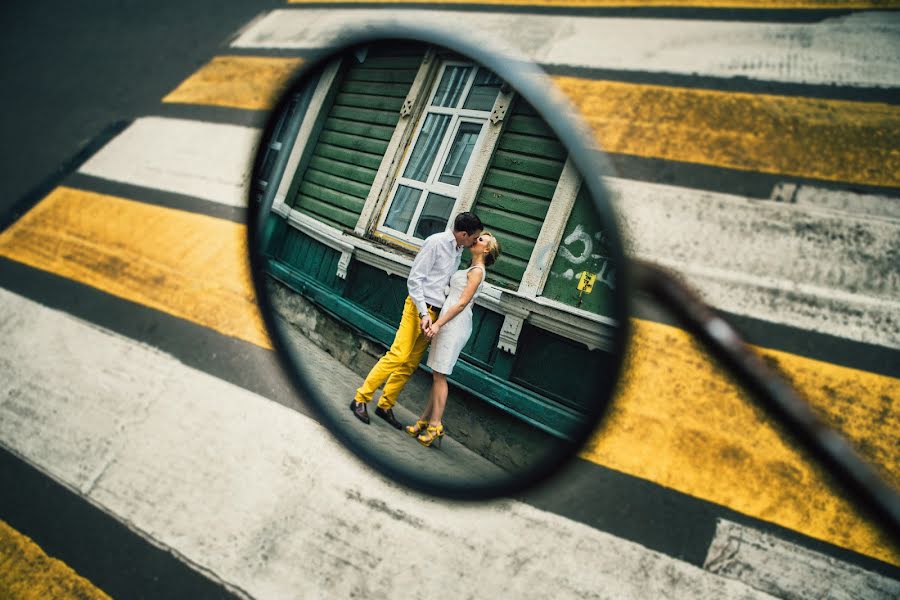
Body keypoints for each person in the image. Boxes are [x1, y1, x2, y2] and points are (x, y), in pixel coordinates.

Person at [350, 212, 483, 428]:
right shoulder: (436, 243)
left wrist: (435, 318)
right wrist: (422, 313)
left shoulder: (458, 250)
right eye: (474, 237)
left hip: (435, 314)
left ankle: (385, 404)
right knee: (398, 355)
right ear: (463, 234)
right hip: (418, 308)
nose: (474, 242)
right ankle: (360, 398)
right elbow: (414, 280)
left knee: (410, 362)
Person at [406, 232, 501, 447]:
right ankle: (424, 420)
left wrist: (438, 324)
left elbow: (461, 303)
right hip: (447, 320)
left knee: (441, 375)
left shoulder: (477, 272)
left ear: (486, 250)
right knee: (437, 373)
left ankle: (435, 425)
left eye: (481, 240)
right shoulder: (469, 268)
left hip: (454, 323)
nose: (476, 239)